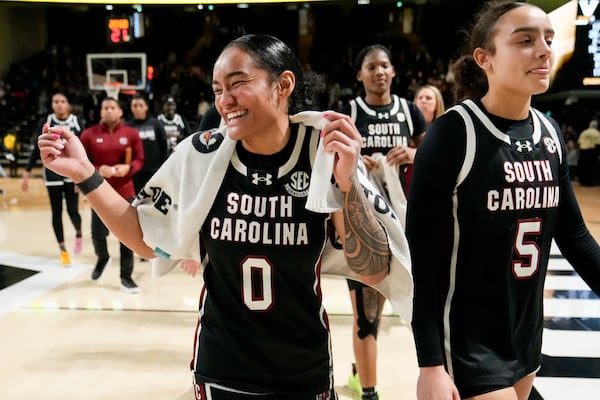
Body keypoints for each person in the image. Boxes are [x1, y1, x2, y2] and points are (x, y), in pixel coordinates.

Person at [37, 33, 413, 399]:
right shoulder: (200, 156)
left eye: (237, 83)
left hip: (304, 369)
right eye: (217, 89)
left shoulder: (322, 156)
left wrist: (347, 185)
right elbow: (144, 238)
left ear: (282, 85)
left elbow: (373, 270)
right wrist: (85, 174)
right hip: (223, 368)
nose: (224, 100)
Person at [405, 2, 600, 400]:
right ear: (485, 59)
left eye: (547, 38)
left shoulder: (548, 132)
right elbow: (423, 261)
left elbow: (575, 236)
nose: (544, 49)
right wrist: (430, 364)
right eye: (525, 41)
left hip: (525, 336)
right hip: (466, 343)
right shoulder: (453, 134)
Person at [340, 44, 427, 400]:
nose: (379, 71)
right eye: (371, 66)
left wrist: (415, 153)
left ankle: (362, 369)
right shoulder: (349, 112)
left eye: (385, 66)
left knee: (407, 302)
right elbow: (328, 161)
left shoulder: (409, 112)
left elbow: (434, 160)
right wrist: (353, 157)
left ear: (393, 72)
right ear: (359, 75)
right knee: (367, 316)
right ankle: (369, 392)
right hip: (365, 225)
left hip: (406, 223)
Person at [80, 96, 144, 293]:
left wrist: (128, 167)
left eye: (112, 107)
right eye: (104, 108)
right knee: (98, 235)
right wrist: (99, 169)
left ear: (120, 112)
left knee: (128, 237)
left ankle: (126, 277)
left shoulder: (131, 133)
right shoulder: (88, 135)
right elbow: (82, 162)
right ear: (100, 112)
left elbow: (140, 159)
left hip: (125, 191)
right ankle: (103, 258)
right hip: (98, 192)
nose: (108, 110)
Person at [21, 92, 85, 267]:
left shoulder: (78, 122)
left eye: (62, 101)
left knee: (72, 210)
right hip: (52, 171)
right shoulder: (45, 121)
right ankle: (63, 250)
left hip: (73, 171)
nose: (59, 104)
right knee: (56, 211)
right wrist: (26, 173)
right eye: (55, 101)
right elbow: (37, 147)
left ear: (68, 105)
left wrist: (85, 177)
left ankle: (78, 233)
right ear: (52, 105)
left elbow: (85, 148)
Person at [126, 95, 169, 194]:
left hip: (154, 171)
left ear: (146, 107)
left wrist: (164, 168)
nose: (138, 108)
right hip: (136, 173)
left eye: (141, 105)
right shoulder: (128, 127)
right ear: (131, 108)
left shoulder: (156, 124)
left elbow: (164, 147)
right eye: (135, 106)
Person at [577, 119, 600, 186]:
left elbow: (579, 143)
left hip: (583, 152)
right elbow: (598, 145)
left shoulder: (584, 132)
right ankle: (588, 183)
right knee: (590, 168)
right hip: (591, 152)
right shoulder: (597, 133)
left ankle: (582, 182)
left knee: (583, 168)